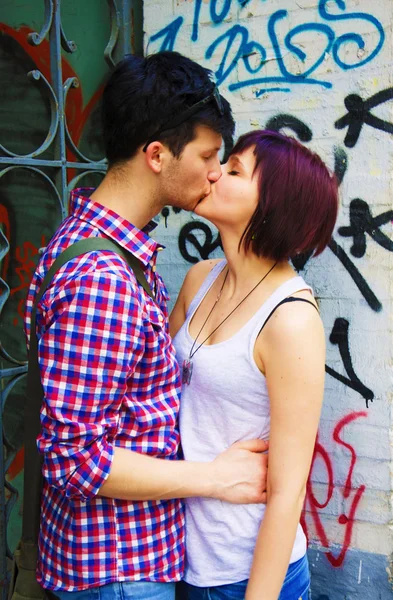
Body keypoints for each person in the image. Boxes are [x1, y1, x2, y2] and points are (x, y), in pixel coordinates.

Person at [24, 52, 269, 600]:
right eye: (208, 155)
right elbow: (75, 456)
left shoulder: (102, 248)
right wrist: (214, 477)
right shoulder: (102, 277)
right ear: (157, 154)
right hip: (120, 572)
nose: (214, 172)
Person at [170, 129, 339, 600]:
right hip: (178, 561)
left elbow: (287, 492)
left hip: (248, 574)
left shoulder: (290, 320)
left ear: (272, 208)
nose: (214, 172)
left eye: (235, 170)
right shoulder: (200, 279)